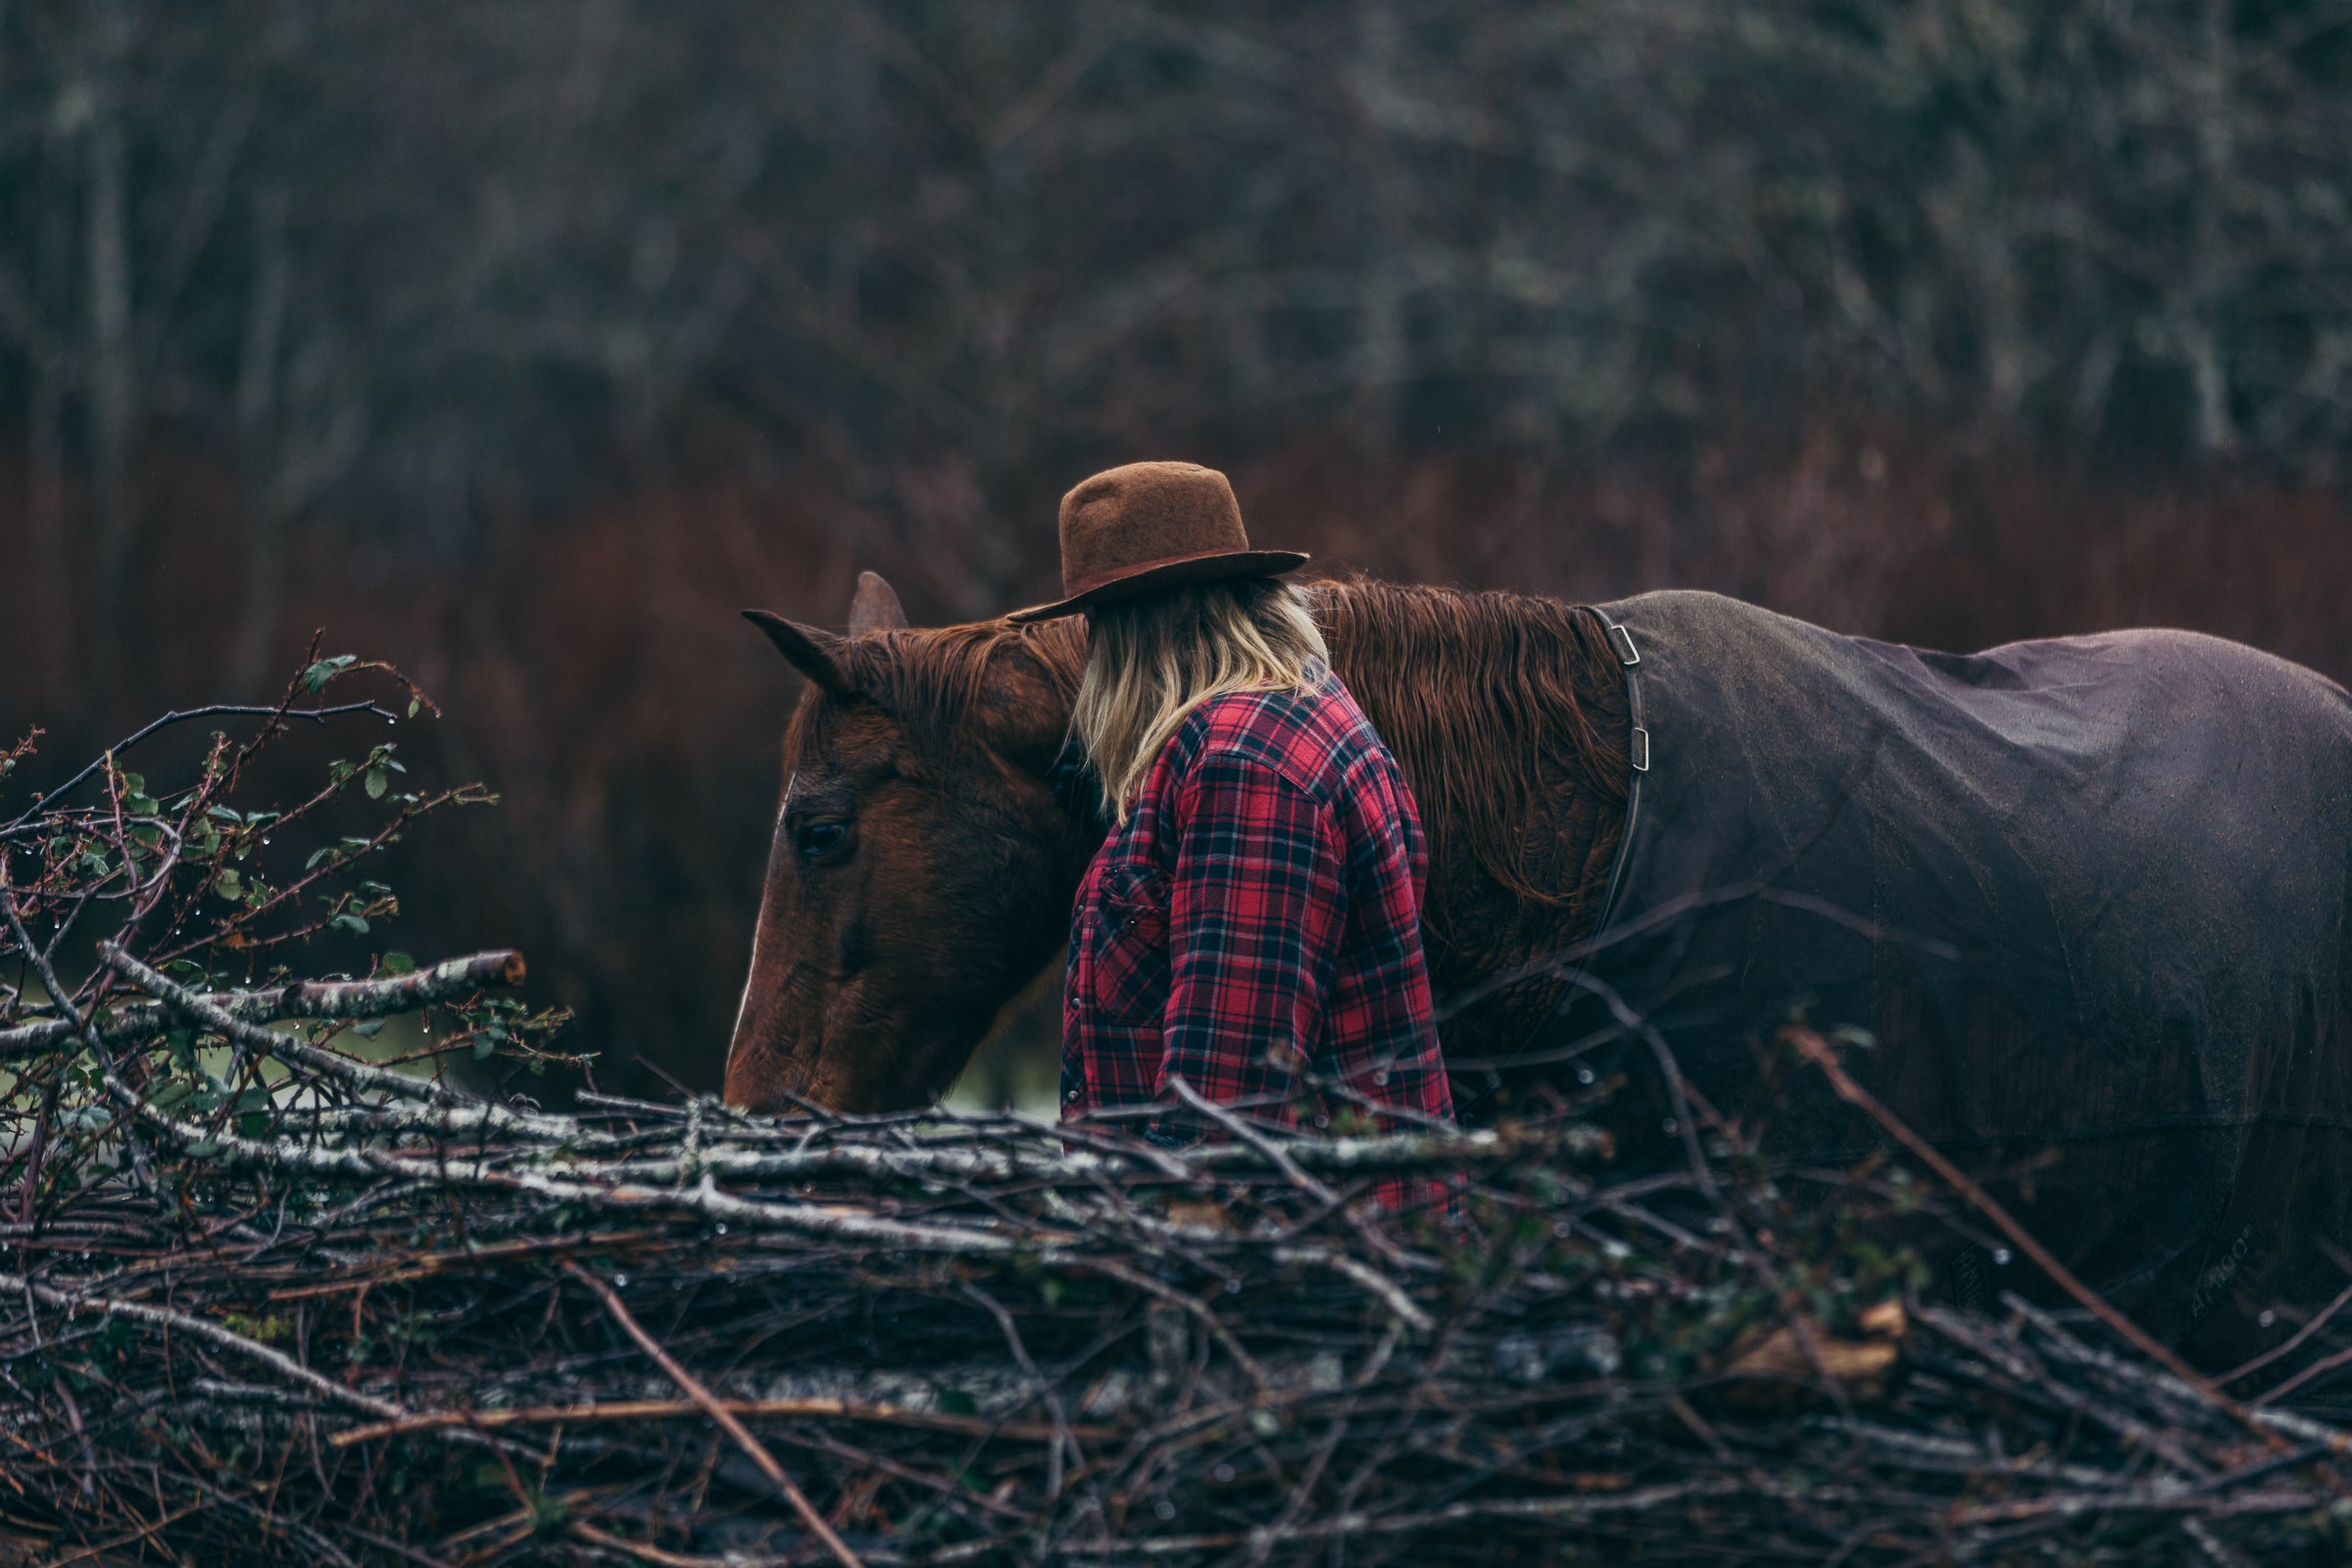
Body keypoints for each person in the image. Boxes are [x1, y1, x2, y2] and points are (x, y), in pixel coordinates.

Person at [1009, 462, 1454, 1202]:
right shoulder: (1283, 715)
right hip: (1306, 1254)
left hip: (1299, 1279)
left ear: (1172, 609)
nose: (1094, 658)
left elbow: (1226, 1114)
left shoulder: (1245, 767)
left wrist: (1154, 1250)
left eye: (1106, 622)